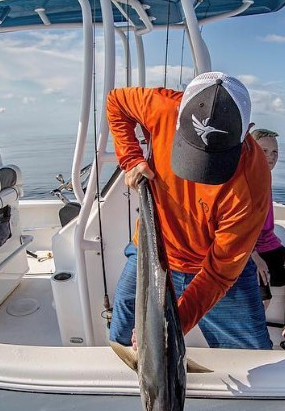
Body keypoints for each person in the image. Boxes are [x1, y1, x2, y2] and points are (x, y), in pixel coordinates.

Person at [106, 72, 272, 350]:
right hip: (152, 251)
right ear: (179, 110)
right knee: (121, 341)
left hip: (213, 268)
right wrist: (131, 158)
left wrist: (171, 326)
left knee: (253, 357)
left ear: (248, 130)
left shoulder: (252, 182)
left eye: (215, 158)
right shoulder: (162, 106)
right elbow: (116, 103)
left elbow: (219, 274)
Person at [249, 128, 285, 351]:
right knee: (264, 298)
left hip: (268, 242)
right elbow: (237, 226)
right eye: (264, 150)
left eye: (275, 152)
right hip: (248, 248)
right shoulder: (247, 178)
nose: (271, 157)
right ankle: (253, 339)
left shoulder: (266, 175)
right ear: (252, 150)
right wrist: (255, 257)